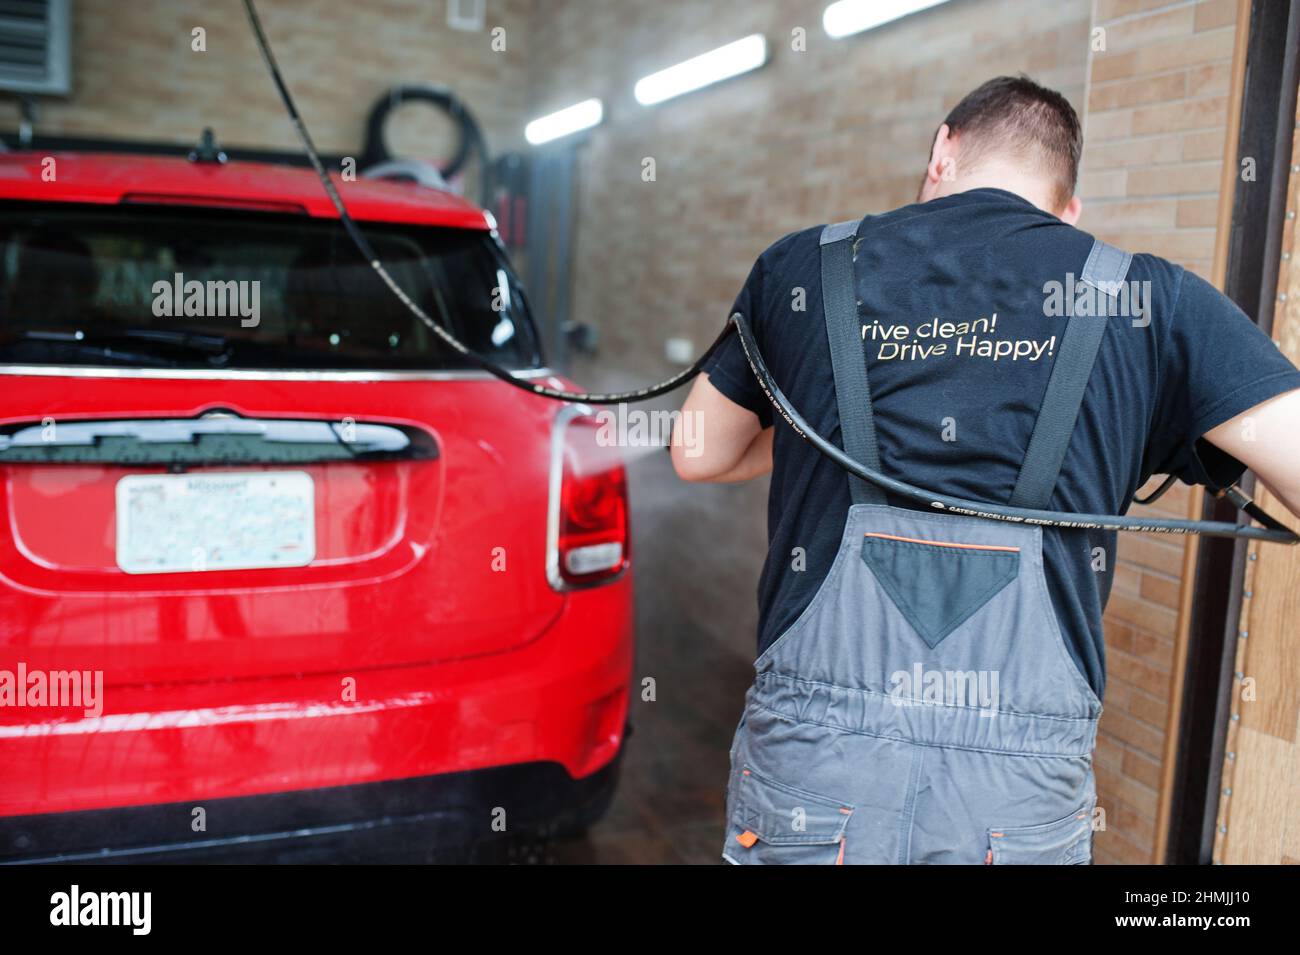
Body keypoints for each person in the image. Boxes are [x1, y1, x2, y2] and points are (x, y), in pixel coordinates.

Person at [672, 75, 1300, 865]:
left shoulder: (803, 267)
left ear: (943, 149)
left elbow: (698, 450)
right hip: (1014, 799)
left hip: (814, 770)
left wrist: (812, 427)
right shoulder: (1148, 298)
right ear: (1066, 210)